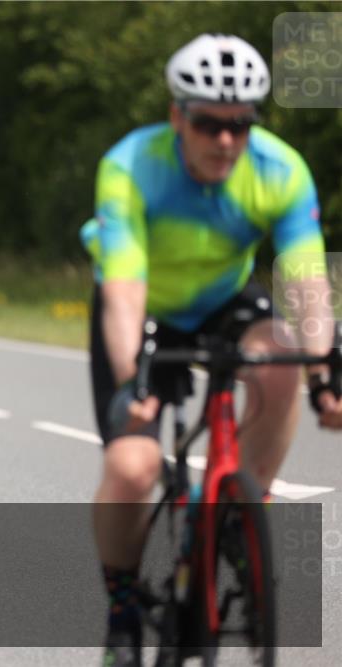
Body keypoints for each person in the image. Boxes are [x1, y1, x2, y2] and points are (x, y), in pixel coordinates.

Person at [80, 33, 342, 666]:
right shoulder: (132, 165)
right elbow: (123, 284)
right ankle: (121, 608)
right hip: (142, 308)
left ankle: (240, 507)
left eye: (240, 125)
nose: (225, 140)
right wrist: (132, 383)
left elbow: (304, 277)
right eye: (208, 124)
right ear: (178, 116)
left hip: (225, 302)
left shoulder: (279, 171)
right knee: (133, 468)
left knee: (280, 362)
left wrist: (324, 371)